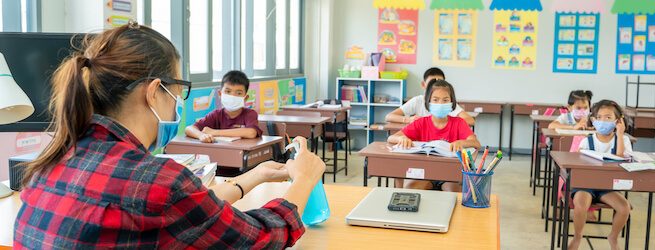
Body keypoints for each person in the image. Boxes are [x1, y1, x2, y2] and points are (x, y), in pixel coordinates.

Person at [14, 22, 324, 249]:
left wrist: (251, 177)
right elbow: (261, 238)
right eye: (178, 93)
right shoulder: (158, 181)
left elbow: (190, 211)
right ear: (153, 92)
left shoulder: (49, 162)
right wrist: (304, 180)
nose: (178, 105)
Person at [387, 80, 481, 192]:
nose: (440, 104)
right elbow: (391, 138)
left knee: (453, 194)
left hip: (450, 176)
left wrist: (461, 142)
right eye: (435, 100)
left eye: (445, 100)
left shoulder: (459, 123)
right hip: (425, 174)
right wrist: (401, 138)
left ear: (452, 103)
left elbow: (476, 143)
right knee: (411, 191)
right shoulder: (421, 123)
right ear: (428, 102)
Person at [570, 100, 633, 250]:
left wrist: (619, 134)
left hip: (607, 186)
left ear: (618, 121)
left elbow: (620, 157)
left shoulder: (623, 140)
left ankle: (613, 237)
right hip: (585, 185)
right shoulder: (587, 140)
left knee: (624, 208)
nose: (603, 121)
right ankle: (578, 236)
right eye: (599, 117)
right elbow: (579, 165)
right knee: (580, 206)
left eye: (608, 117)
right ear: (593, 120)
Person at [185, 70, 261, 143]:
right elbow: (189, 129)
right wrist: (201, 135)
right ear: (220, 94)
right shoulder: (216, 115)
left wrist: (215, 132)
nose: (232, 96)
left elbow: (251, 132)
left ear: (245, 98)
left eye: (238, 93)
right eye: (228, 91)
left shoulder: (250, 114)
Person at [385, 67, 475, 125]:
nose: (435, 87)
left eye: (439, 83)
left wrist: (446, 123)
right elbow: (389, 116)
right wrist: (409, 119)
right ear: (423, 85)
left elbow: (470, 120)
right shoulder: (417, 101)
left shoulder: (447, 103)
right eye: (431, 84)